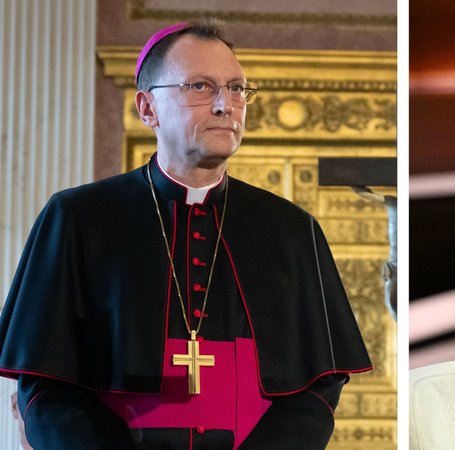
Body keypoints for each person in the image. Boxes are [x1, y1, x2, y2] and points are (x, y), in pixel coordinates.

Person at [0, 18, 371, 449]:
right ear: (147, 108)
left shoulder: (291, 229)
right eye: (200, 86)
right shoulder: (77, 218)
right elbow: (46, 386)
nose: (225, 105)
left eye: (236, 88)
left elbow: (317, 391)